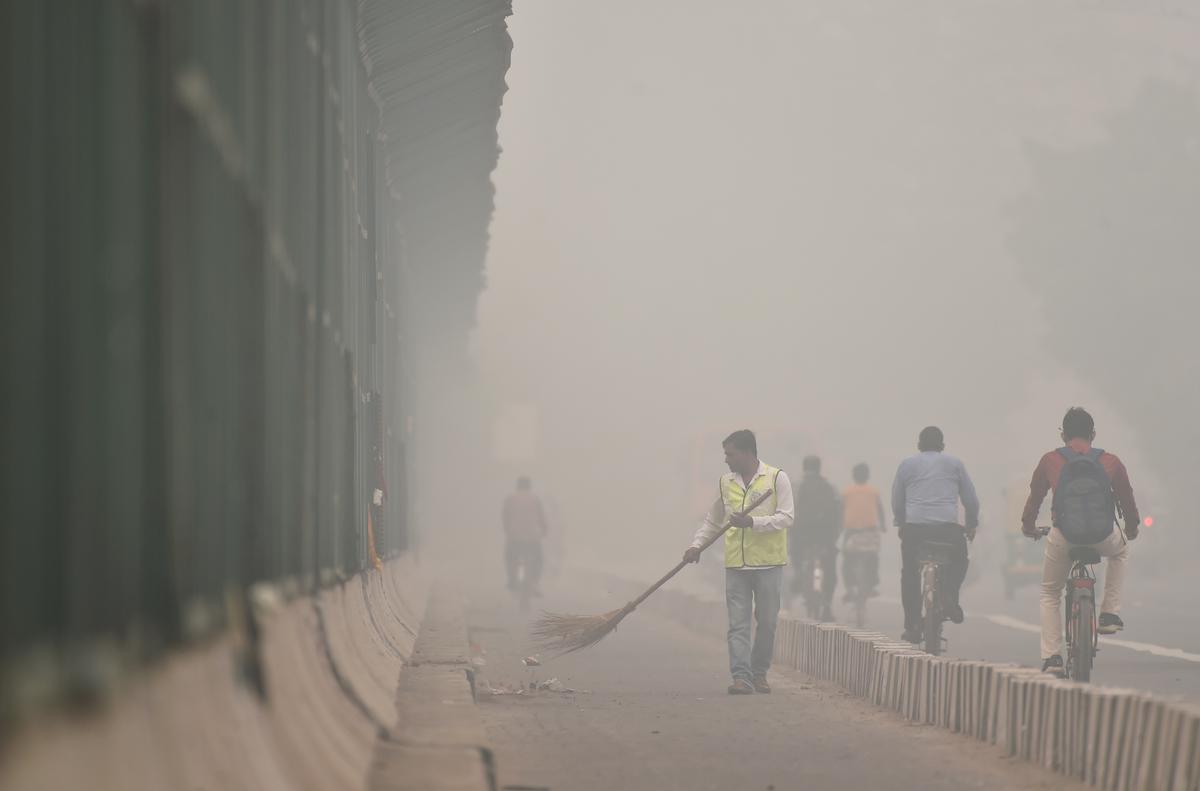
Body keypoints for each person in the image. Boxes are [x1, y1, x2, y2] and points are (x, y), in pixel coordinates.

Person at [1020, 407, 1140, 677]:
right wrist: (1131, 528)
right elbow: (1127, 499)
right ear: (1093, 434)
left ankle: (1052, 657)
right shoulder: (1111, 461)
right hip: (1102, 536)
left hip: (1064, 536)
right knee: (1120, 553)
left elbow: (1035, 498)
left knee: (1050, 593)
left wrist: (1028, 526)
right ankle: (1109, 615)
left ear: (1063, 434)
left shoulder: (1050, 460)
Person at [683, 430, 794, 695]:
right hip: (736, 566)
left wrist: (753, 522)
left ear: (747, 453)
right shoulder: (726, 483)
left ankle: (759, 673)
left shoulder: (777, 478)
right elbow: (713, 520)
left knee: (767, 623)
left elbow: (787, 517)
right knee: (738, 624)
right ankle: (741, 677)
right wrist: (696, 545)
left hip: (768, 565)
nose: (726, 460)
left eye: (730, 454)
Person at [892, 426, 980, 643]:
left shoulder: (906, 465)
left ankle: (913, 625)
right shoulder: (955, 464)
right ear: (942, 445)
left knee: (910, 574)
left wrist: (901, 523)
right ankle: (950, 597)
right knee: (960, 559)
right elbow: (971, 500)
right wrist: (970, 524)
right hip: (946, 531)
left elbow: (897, 500)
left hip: (915, 530)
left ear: (919, 444)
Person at [790, 455, 842, 621]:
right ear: (819, 468)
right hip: (825, 535)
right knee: (830, 567)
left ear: (804, 468)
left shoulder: (797, 487)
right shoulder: (830, 487)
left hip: (803, 534)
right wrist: (835, 535)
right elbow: (838, 512)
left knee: (795, 552)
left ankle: (798, 575)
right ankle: (826, 604)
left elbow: (790, 510)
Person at [841, 463, 886, 600]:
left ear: (853, 476)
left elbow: (840, 510)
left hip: (851, 532)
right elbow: (880, 510)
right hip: (870, 532)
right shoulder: (874, 492)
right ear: (868, 476)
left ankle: (849, 588)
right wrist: (883, 525)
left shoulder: (846, 492)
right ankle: (872, 585)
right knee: (873, 557)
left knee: (847, 559)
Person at [502, 476, 548, 594]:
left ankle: (512, 580)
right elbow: (541, 517)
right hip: (532, 537)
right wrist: (544, 530)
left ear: (517, 486)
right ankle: (535, 582)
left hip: (515, 537)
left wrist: (508, 530)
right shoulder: (535, 499)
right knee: (539, 559)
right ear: (529, 486)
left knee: (510, 558)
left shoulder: (511, 499)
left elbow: (505, 516)